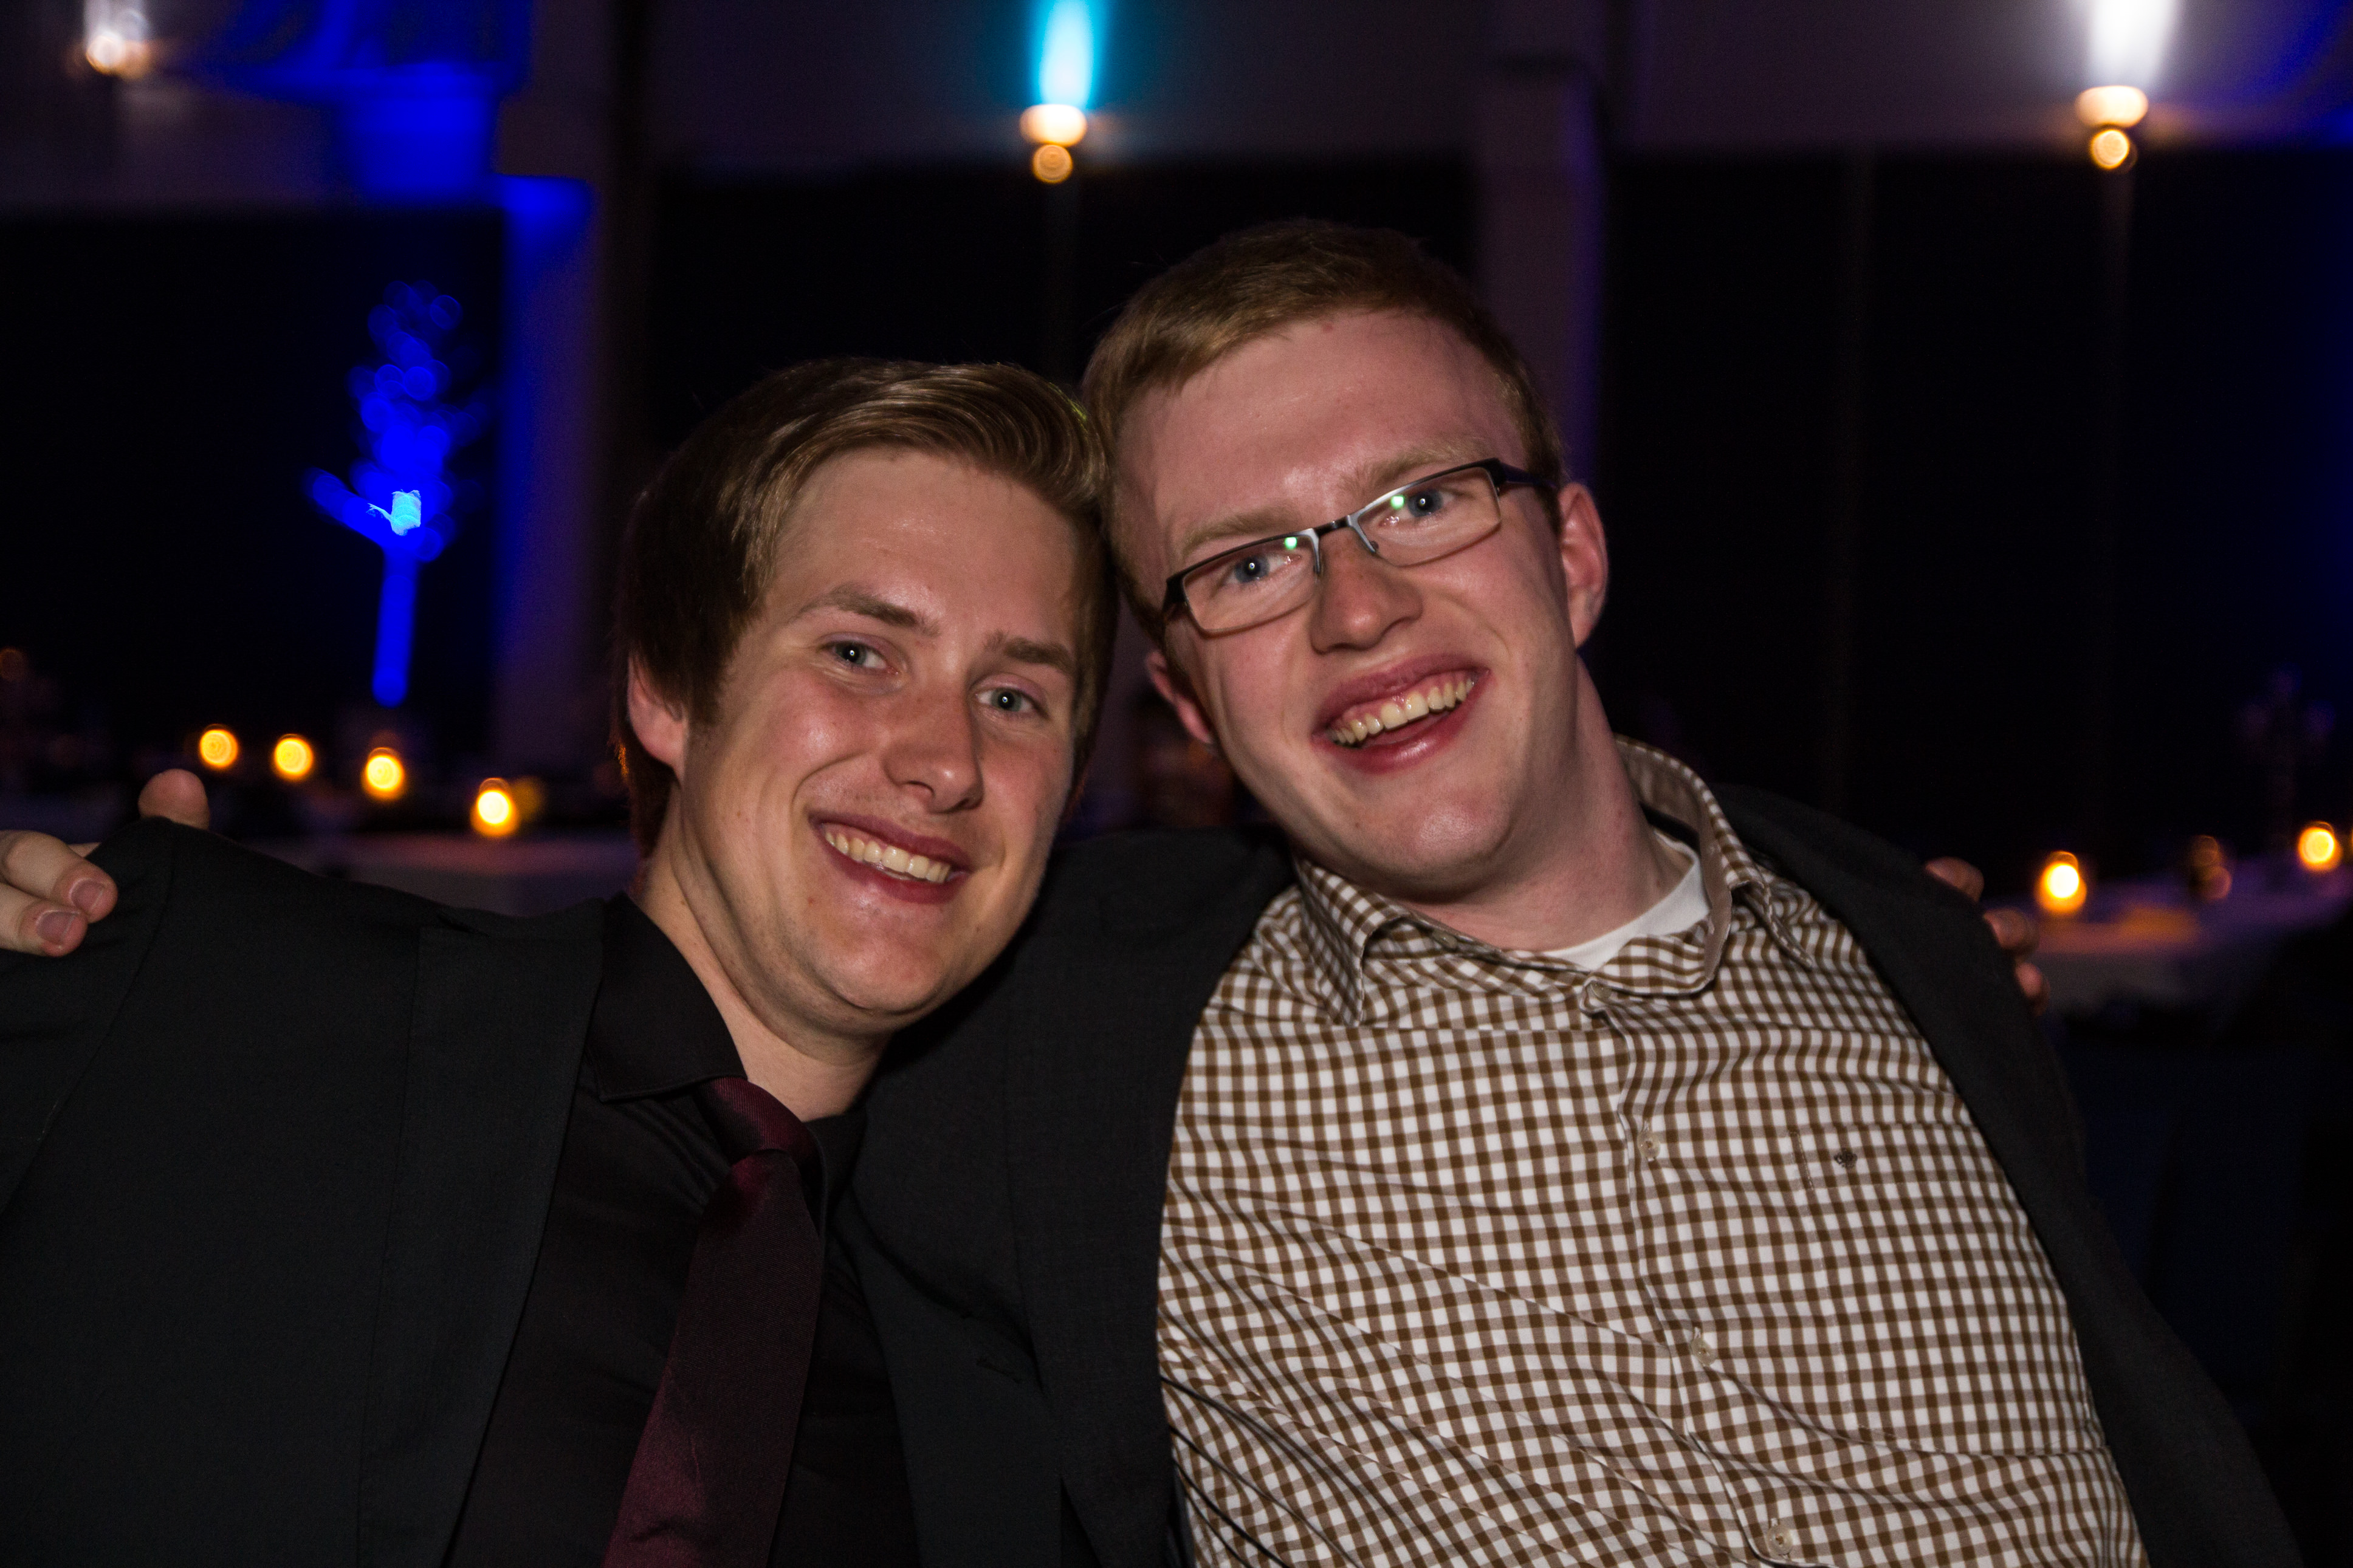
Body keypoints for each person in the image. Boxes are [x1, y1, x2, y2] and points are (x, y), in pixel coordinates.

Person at [0, 225, 2256, 1568]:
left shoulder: (1908, 960)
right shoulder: (206, 1003)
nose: (1356, 605)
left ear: (1567, 549)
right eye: (1251, 562)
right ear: (1191, 697)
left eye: (1420, 500)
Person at [0, 357, 1116, 1566]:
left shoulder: (1025, 1405)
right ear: (667, 688)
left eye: (1014, 698)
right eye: (858, 652)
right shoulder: (214, 1003)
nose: (946, 761)